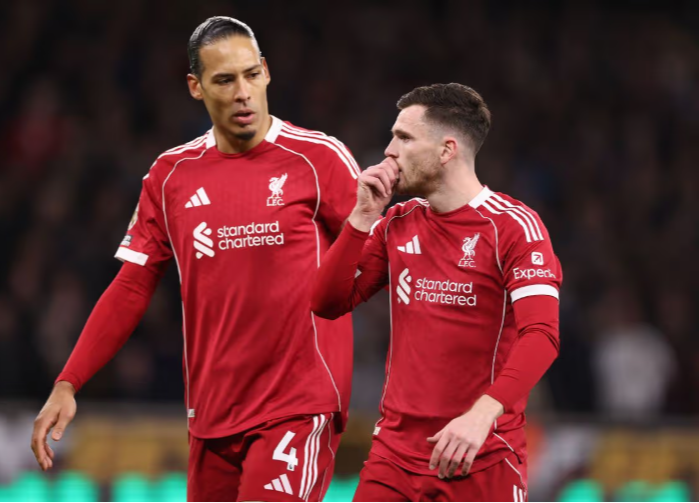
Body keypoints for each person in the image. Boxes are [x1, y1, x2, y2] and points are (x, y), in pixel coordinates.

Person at [31, 16, 359, 502]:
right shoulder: (170, 176)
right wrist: (68, 382)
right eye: (224, 80)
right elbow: (132, 285)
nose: (243, 93)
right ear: (195, 87)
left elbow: (383, 259)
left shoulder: (319, 158)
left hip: (298, 404)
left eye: (251, 75)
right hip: (212, 414)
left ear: (267, 72)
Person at [311, 83, 562, 502]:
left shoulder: (513, 228)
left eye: (404, 138)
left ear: (447, 150)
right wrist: (361, 218)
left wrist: (482, 415)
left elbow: (542, 336)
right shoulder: (397, 222)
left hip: (479, 455)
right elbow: (327, 302)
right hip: (393, 457)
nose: (389, 150)